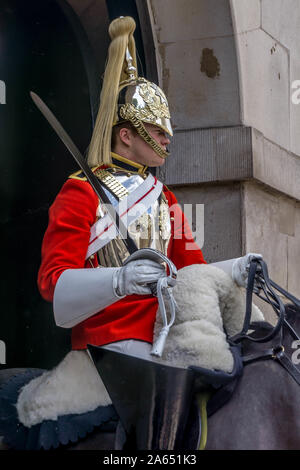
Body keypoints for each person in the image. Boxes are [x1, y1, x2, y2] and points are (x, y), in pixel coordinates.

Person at [37, 16, 260, 362]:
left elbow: (191, 271)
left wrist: (236, 270)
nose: (167, 138)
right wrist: (119, 280)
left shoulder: (163, 197)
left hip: (166, 327)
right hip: (110, 335)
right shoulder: (81, 192)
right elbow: (54, 282)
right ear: (126, 135)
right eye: (156, 131)